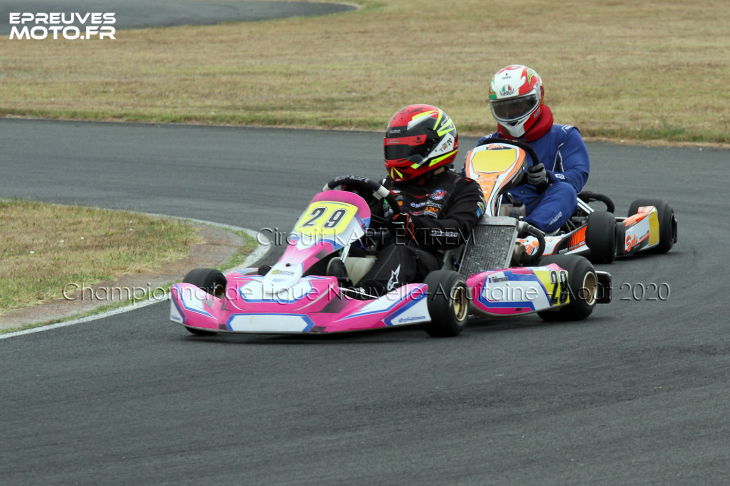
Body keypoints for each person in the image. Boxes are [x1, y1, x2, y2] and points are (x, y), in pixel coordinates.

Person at [331, 104, 485, 298]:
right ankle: (300, 288)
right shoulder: (386, 185)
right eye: (395, 148)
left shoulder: (464, 188)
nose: (399, 155)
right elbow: (367, 225)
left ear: (436, 146)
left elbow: (457, 232)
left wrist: (414, 226)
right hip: (382, 255)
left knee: (401, 247)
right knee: (333, 244)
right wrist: (353, 203)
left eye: (405, 147)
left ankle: (363, 297)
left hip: (430, 266)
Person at [476, 64, 590, 234]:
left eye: (518, 106)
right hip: (498, 207)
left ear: (537, 98)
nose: (511, 113)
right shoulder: (488, 144)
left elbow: (578, 176)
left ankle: (530, 231)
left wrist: (547, 178)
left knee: (566, 191)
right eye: (504, 108)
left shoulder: (564, 136)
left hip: (542, 204)